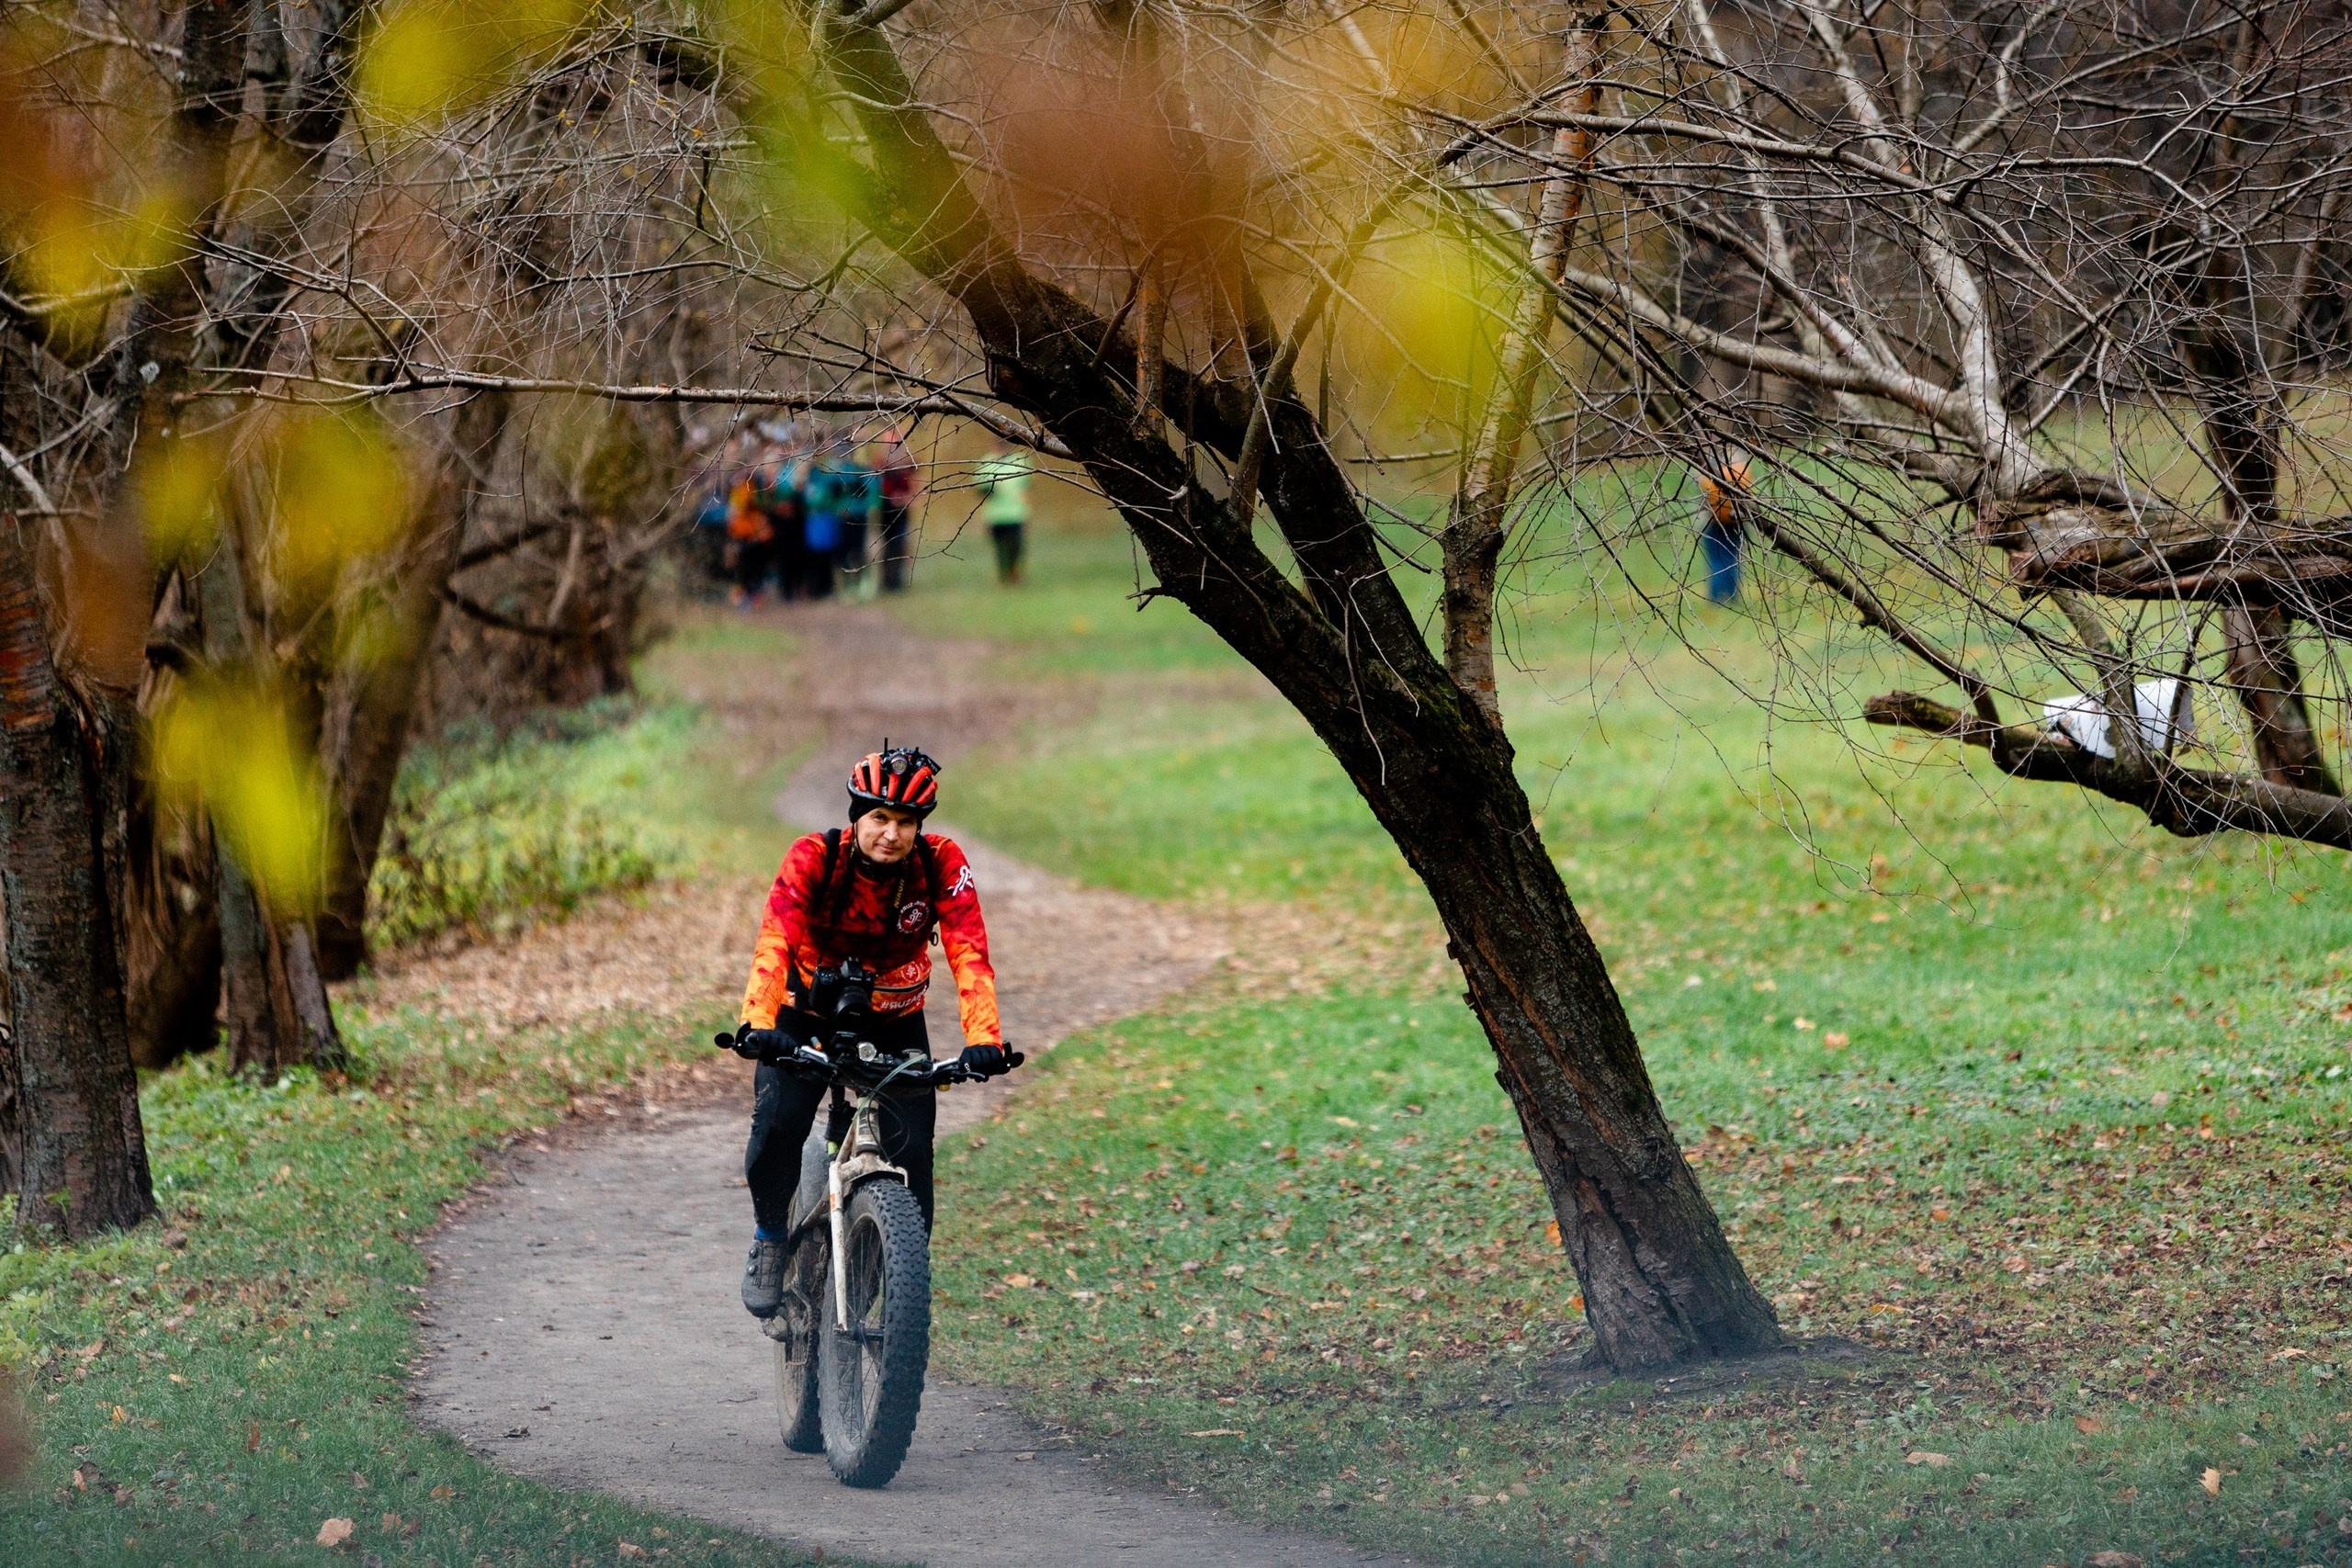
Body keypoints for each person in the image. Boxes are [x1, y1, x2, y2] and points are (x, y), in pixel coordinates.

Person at [732, 747, 1013, 1318]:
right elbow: (776, 938)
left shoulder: (940, 863)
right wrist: (759, 1024)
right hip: (802, 1011)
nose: (891, 834)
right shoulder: (814, 856)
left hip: (894, 1015)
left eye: (906, 822)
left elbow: (968, 949)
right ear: (857, 814)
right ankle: (769, 1238)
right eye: (879, 818)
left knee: (915, 1162)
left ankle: (887, 1287)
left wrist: (984, 1037)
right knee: (779, 1128)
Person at [973, 438, 1031, 585]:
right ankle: (1003, 575)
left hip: (1016, 513)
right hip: (995, 515)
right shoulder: (985, 462)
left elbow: (1026, 487)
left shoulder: (1020, 461)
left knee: (1016, 546)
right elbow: (979, 489)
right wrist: (992, 489)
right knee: (1000, 548)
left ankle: (1014, 573)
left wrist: (1027, 512)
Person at [1698, 458, 1748, 604]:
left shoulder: (1707, 463)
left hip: (1712, 522)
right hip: (1736, 521)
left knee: (1716, 561)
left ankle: (1716, 597)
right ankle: (1731, 596)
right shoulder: (1738, 462)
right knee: (1732, 560)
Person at [876, 425, 920, 592]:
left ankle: (897, 581)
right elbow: (878, 490)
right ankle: (887, 581)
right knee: (888, 546)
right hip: (887, 513)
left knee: (901, 545)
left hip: (901, 512)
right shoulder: (881, 468)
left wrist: (905, 499)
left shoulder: (904, 470)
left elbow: (911, 488)